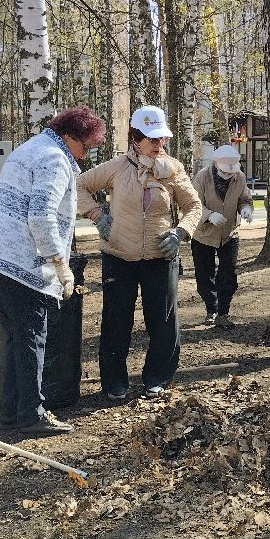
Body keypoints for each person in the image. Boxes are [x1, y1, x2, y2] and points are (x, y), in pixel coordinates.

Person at [0, 106, 107, 435]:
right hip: (19, 262)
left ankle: (11, 412)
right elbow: (41, 216)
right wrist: (61, 266)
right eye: (85, 146)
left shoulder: (30, 147)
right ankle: (32, 415)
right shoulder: (55, 158)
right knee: (32, 337)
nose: (86, 155)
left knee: (16, 337)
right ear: (68, 136)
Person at [77, 106, 201, 401]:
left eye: (162, 139)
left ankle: (157, 377)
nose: (160, 145)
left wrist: (181, 232)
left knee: (163, 320)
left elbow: (194, 206)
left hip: (161, 256)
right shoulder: (117, 167)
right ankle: (114, 382)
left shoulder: (173, 169)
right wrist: (97, 214)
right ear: (135, 137)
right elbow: (79, 185)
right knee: (117, 320)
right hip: (119, 256)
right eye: (153, 139)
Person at [191, 143, 254, 328]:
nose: (228, 176)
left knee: (228, 274)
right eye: (225, 172)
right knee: (204, 275)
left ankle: (223, 312)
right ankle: (211, 308)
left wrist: (246, 209)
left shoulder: (240, 178)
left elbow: (245, 198)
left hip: (229, 233)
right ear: (216, 166)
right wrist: (209, 215)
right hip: (203, 234)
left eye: (231, 173)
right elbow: (192, 205)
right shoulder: (202, 177)